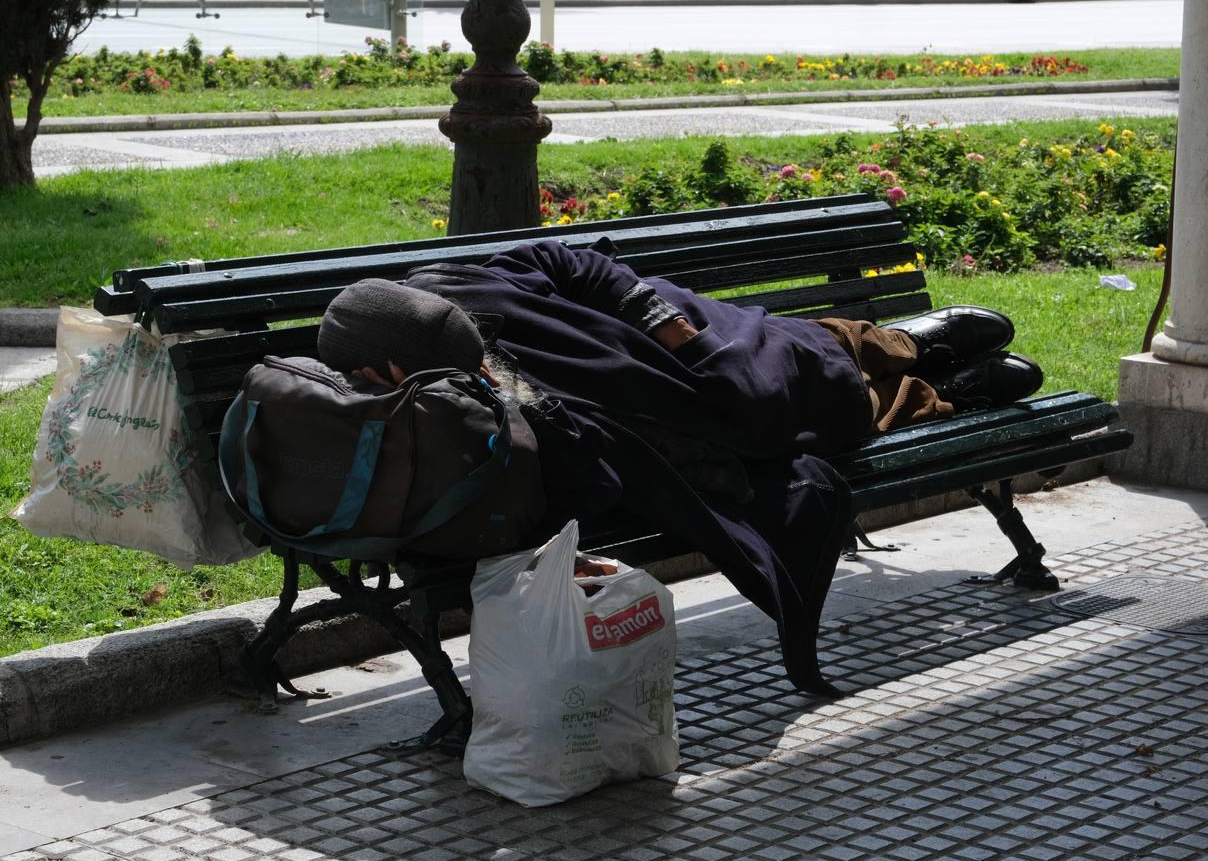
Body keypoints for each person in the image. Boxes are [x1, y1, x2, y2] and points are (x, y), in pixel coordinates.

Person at [316, 240, 1041, 696]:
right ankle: (933, 391)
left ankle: (899, 344)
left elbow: (575, 261)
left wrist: (668, 326)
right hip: (688, 409)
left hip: (685, 342)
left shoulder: (446, 284)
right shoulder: (476, 395)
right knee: (787, 416)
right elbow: (602, 465)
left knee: (777, 352)